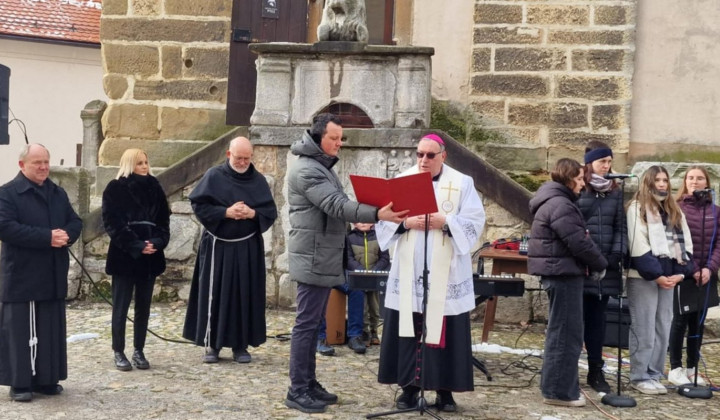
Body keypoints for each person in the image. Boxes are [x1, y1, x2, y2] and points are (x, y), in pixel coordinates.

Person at [285, 113, 407, 414]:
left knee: (312, 323)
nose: (340, 143)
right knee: (306, 325)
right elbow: (336, 205)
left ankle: (309, 382)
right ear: (317, 137)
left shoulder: (319, 166)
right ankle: (297, 389)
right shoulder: (307, 170)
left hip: (322, 254)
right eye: (334, 138)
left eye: (341, 138)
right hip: (313, 256)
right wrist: (378, 213)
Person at [375, 134, 486, 413]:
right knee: (408, 329)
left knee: (445, 331)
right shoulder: (402, 180)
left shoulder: (462, 183)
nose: (423, 160)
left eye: (430, 155)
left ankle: (445, 391)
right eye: (419, 154)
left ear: (443, 156)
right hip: (410, 269)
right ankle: (409, 389)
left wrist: (446, 221)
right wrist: (405, 223)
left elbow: (475, 221)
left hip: (446, 272)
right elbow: (384, 220)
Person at [183, 137, 277, 364]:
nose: (243, 162)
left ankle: (240, 345)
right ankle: (212, 345)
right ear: (228, 155)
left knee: (243, 294)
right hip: (218, 247)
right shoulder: (214, 176)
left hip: (247, 248)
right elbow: (199, 205)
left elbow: (270, 212)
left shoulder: (258, 180)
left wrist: (252, 214)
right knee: (215, 295)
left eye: (247, 158)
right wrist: (226, 212)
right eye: (239, 158)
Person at [0, 144, 82, 402]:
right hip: (22, 273)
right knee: (20, 330)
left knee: (49, 328)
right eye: (37, 162)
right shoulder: (7, 194)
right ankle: (20, 382)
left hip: (52, 272)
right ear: (22, 165)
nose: (44, 167)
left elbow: (75, 221)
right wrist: (46, 237)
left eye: (46, 161)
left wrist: (66, 235)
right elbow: (5, 227)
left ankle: (47, 379)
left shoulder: (56, 193)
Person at [528, 158, 607, 407]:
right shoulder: (560, 204)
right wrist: (600, 263)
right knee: (565, 334)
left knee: (563, 332)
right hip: (562, 274)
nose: (583, 185)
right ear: (570, 177)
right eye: (581, 179)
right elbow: (578, 241)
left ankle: (557, 388)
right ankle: (559, 392)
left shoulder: (555, 200)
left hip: (560, 272)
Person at [626, 165, 694, 394]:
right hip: (644, 277)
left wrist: (680, 273)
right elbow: (639, 247)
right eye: (658, 180)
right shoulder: (636, 209)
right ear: (648, 182)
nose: (663, 184)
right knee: (643, 328)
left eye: (665, 180)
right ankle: (639, 375)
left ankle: (654, 373)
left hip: (669, 279)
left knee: (663, 327)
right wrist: (657, 276)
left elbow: (686, 245)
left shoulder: (674, 210)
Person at [102, 149, 171, 371]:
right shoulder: (115, 188)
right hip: (125, 256)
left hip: (150, 257)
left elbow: (164, 223)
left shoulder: (155, 188)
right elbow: (113, 224)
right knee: (120, 307)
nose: (144, 166)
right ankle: (118, 350)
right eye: (139, 163)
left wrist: (157, 243)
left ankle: (139, 350)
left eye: (146, 162)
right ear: (130, 164)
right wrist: (137, 245)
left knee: (144, 307)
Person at [576, 141, 626, 393]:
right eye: (601, 162)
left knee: (597, 321)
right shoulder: (578, 188)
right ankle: (568, 369)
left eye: (609, 162)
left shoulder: (616, 191)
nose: (606, 167)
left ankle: (596, 371)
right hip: (580, 264)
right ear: (590, 164)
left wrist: (616, 254)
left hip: (606, 266)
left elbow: (620, 226)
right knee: (574, 320)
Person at [668, 166, 720, 386]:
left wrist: (710, 268)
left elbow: (719, 243)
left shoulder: (715, 211)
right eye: (691, 178)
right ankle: (675, 368)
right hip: (685, 273)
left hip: (707, 275)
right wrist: (694, 269)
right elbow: (674, 242)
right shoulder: (676, 208)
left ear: (706, 183)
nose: (695, 182)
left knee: (698, 323)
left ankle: (692, 368)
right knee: (680, 321)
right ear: (685, 182)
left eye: (699, 178)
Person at [347, 222, 390, 346]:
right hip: (358, 277)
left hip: (374, 277)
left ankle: (374, 330)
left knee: (374, 305)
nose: (363, 223)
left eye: (366, 220)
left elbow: (384, 257)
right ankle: (364, 332)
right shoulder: (350, 237)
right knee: (362, 305)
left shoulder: (379, 237)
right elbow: (349, 258)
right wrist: (359, 269)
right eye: (360, 220)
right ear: (354, 223)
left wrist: (375, 270)